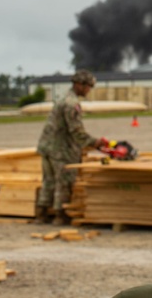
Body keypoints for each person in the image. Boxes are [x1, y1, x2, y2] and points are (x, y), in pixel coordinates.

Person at [34, 69, 105, 226]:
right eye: (88, 87)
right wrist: (95, 142)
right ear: (79, 85)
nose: (89, 90)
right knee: (64, 181)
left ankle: (41, 214)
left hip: (47, 146)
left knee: (48, 181)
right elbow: (76, 131)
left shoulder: (63, 98)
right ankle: (60, 215)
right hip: (60, 149)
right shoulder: (72, 104)